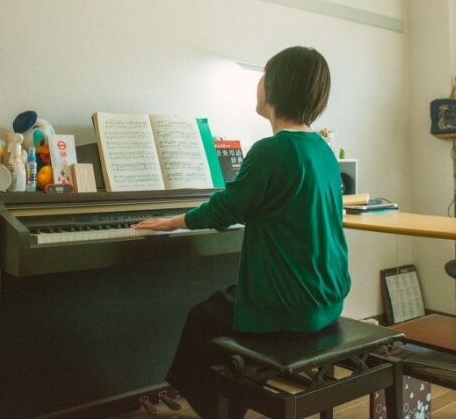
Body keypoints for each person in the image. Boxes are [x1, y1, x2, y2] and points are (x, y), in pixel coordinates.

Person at [131, 45, 350, 419]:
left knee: (202, 318)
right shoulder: (323, 149)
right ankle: (231, 396)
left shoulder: (272, 150)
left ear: (278, 87)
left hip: (289, 306)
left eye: (264, 75)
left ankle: (216, 409)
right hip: (326, 299)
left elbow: (225, 209)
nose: (259, 83)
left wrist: (172, 221)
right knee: (223, 304)